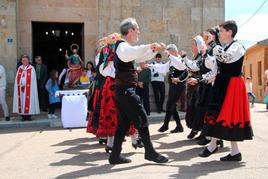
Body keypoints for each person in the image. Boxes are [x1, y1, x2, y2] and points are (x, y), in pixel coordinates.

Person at [109, 18, 168, 164]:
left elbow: (141, 56)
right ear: (130, 31)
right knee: (141, 117)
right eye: (137, 29)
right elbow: (134, 52)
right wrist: (150, 45)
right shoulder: (122, 46)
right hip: (125, 90)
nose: (139, 32)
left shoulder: (125, 47)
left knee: (123, 124)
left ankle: (115, 155)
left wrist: (153, 50)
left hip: (124, 90)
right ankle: (150, 152)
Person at [199, 20, 253, 161]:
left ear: (229, 32)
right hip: (223, 84)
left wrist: (212, 44)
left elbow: (225, 58)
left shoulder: (237, 46)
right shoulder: (226, 46)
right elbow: (218, 65)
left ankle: (215, 146)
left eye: (222, 31)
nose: (219, 33)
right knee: (220, 114)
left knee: (227, 115)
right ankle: (232, 151)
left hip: (232, 85)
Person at [87, 33, 142, 153]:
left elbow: (102, 70)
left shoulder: (106, 58)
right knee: (127, 111)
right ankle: (134, 139)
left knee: (110, 113)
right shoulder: (121, 57)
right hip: (120, 85)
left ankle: (112, 144)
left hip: (109, 86)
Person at [151, 44, 187, 133]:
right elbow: (163, 68)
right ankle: (179, 126)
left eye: (170, 53)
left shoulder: (180, 59)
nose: (169, 55)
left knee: (169, 104)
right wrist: (151, 66)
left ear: (174, 51)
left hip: (179, 86)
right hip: (173, 86)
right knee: (172, 105)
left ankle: (166, 125)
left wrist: (169, 55)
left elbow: (181, 65)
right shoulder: (171, 60)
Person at [13, 55, 40, 121]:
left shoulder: (31, 68)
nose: (24, 61)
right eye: (22, 60)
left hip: (29, 89)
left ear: (28, 61)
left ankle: (28, 116)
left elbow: (32, 79)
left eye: (25, 60)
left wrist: (25, 83)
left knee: (29, 101)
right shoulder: (20, 68)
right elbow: (17, 78)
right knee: (22, 102)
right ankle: (23, 116)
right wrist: (20, 83)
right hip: (21, 89)